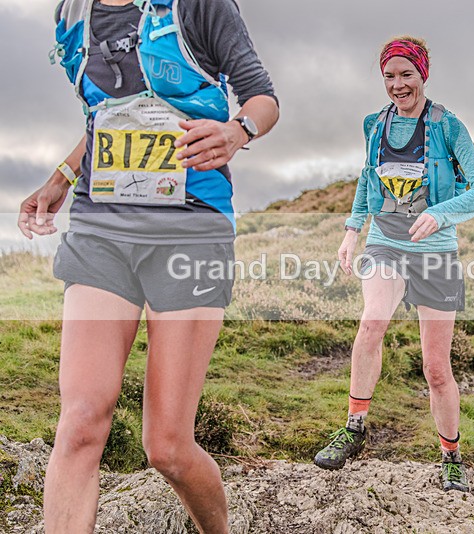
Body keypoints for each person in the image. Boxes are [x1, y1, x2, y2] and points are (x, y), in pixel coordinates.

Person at [18, 0, 279, 532]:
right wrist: (62, 177)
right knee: (81, 423)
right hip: (102, 229)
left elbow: (262, 97)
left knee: (167, 447)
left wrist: (236, 132)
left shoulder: (198, 7)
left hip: (190, 229)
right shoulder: (73, 14)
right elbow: (107, 112)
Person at [313, 36, 474, 493]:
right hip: (386, 244)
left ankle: (451, 456)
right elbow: (367, 178)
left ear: (423, 75)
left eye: (406, 75)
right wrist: (352, 231)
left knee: (436, 369)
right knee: (372, 322)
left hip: (436, 253)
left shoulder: (447, 126)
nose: (398, 85)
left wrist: (441, 213)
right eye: (389, 76)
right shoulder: (374, 125)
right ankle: (354, 428)